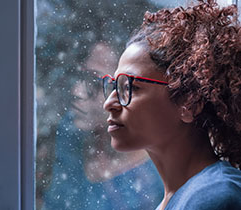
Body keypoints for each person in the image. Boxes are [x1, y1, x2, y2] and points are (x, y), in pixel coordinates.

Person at [102, 0, 241, 209]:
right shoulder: (182, 197)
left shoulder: (213, 197)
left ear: (190, 103)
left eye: (131, 87)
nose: (109, 103)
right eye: (114, 86)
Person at [42, 43, 164, 210]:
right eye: (78, 77)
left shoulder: (157, 175)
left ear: (127, 90)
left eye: (93, 82)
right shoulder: (70, 134)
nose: (77, 91)